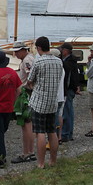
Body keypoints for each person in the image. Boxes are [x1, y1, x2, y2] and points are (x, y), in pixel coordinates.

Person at [27, 36, 63, 169]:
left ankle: (41, 163)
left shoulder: (39, 61)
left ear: (39, 48)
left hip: (39, 102)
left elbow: (30, 80)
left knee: (40, 132)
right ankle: (53, 160)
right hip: (52, 101)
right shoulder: (59, 62)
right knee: (52, 131)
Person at [9, 41, 35, 164]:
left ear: (24, 50)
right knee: (27, 123)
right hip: (28, 92)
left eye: (18, 51)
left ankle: (28, 152)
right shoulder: (29, 58)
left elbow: (31, 76)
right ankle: (29, 151)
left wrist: (25, 88)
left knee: (26, 123)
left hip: (26, 93)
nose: (16, 54)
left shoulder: (27, 61)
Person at [59, 42, 80, 142]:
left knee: (66, 112)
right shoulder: (72, 61)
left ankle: (66, 134)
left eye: (62, 49)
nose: (61, 51)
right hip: (71, 89)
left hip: (68, 89)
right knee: (69, 111)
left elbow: (69, 77)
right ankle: (68, 133)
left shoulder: (67, 62)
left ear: (66, 51)